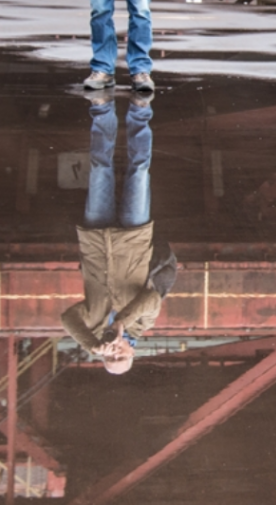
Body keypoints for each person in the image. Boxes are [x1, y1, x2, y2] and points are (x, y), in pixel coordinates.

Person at [61, 93, 171, 375]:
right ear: (133, 351)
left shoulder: (92, 324)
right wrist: (121, 322)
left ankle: (101, 107)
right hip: (134, 237)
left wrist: (90, 343)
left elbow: (68, 317)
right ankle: (140, 109)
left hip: (96, 239)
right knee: (139, 170)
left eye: (110, 359)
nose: (116, 354)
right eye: (122, 358)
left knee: (100, 168)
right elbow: (151, 300)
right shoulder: (142, 323)